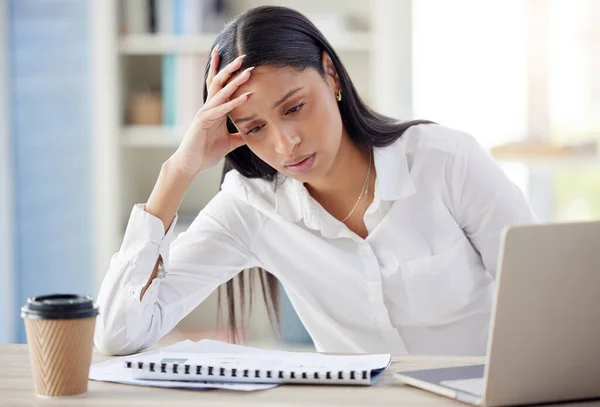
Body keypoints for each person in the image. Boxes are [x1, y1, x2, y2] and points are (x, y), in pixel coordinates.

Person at [94, 6, 535, 357]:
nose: (286, 144)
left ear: (331, 73)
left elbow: (545, 300)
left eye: (293, 108)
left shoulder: (444, 161)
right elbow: (119, 334)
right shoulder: (251, 206)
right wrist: (177, 172)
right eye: (254, 128)